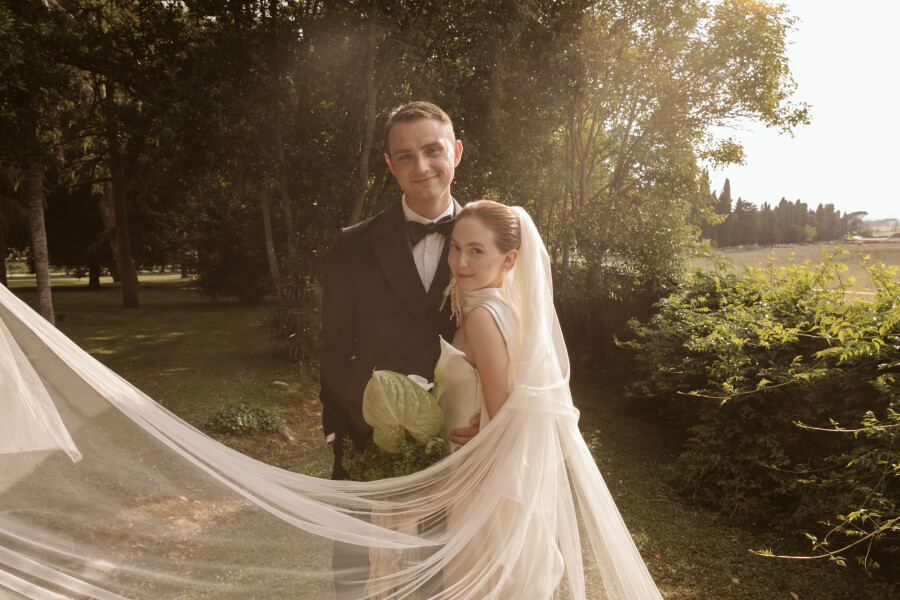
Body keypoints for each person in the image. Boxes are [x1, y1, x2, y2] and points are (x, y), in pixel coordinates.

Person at [319, 100, 478, 597]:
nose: (421, 166)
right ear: (390, 165)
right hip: (366, 429)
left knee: (440, 571)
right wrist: (342, 422)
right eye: (405, 156)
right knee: (355, 573)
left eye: (433, 150)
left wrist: (490, 417)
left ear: (456, 152)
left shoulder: (488, 238)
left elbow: (515, 340)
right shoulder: (352, 244)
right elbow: (333, 346)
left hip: (457, 437)